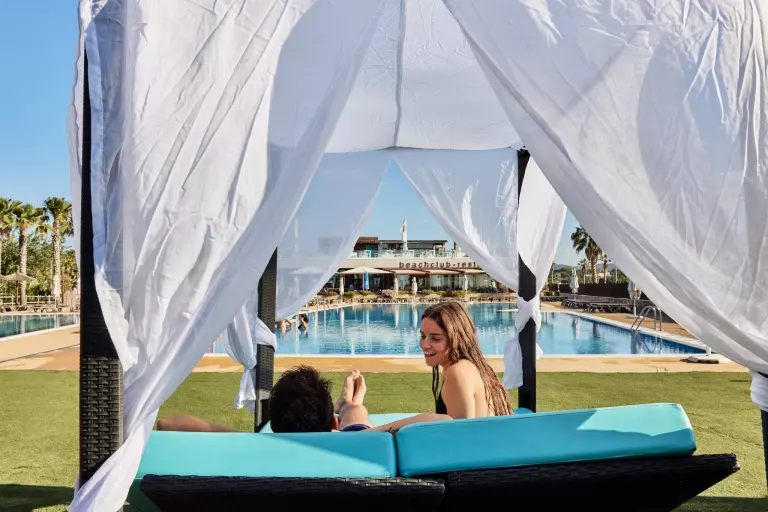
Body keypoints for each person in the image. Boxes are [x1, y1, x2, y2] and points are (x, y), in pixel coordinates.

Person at [157, 365, 450, 433]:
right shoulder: (359, 445)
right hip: (351, 435)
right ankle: (348, 404)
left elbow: (168, 423)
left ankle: (345, 404)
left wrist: (237, 436)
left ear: (273, 424)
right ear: (332, 425)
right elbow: (442, 419)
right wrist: (373, 432)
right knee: (356, 414)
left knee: (354, 415)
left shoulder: (259, 449)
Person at [420, 302, 512, 419]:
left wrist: (423, 419)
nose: (425, 345)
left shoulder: (456, 372)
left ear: (457, 338)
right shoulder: (476, 367)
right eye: (423, 336)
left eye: (436, 338)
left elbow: (462, 429)